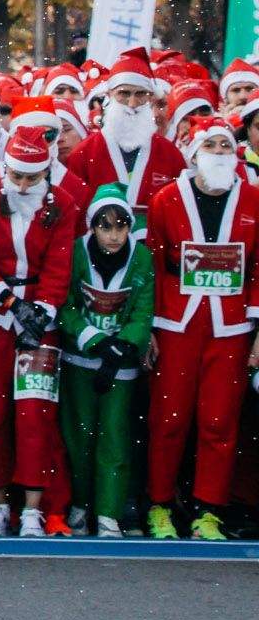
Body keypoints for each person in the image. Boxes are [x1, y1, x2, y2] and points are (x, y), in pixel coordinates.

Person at [142, 117, 259, 541]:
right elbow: (152, 263)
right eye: (210, 145)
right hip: (176, 323)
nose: (219, 153)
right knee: (168, 419)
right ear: (194, 153)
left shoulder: (253, 199)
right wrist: (148, 328)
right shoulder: (166, 199)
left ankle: (209, 509)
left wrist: (258, 331)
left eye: (226, 146)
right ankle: (159, 504)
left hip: (230, 327)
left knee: (219, 421)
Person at [0, 128, 78, 537]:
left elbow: (61, 261)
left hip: (40, 318)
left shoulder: (62, 203)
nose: (24, 185)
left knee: (35, 412)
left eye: (33, 177)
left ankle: (33, 505)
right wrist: (9, 301)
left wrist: (43, 308)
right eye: (17, 177)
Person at [57, 183, 153, 538]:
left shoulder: (142, 257)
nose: (114, 236)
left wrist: (122, 348)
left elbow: (143, 311)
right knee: (79, 435)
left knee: (114, 435)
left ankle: (109, 512)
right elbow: (65, 306)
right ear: (92, 227)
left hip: (122, 365)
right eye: (105, 226)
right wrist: (95, 342)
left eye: (121, 226)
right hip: (81, 359)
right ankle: (82, 503)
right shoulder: (75, 253)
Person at [66, 48, 186, 222]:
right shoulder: (83, 154)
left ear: (150, 97)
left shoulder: (170, 155)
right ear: (109, 95)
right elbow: (74, 216)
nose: (132, 103)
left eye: (140, 94)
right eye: (124, 93)